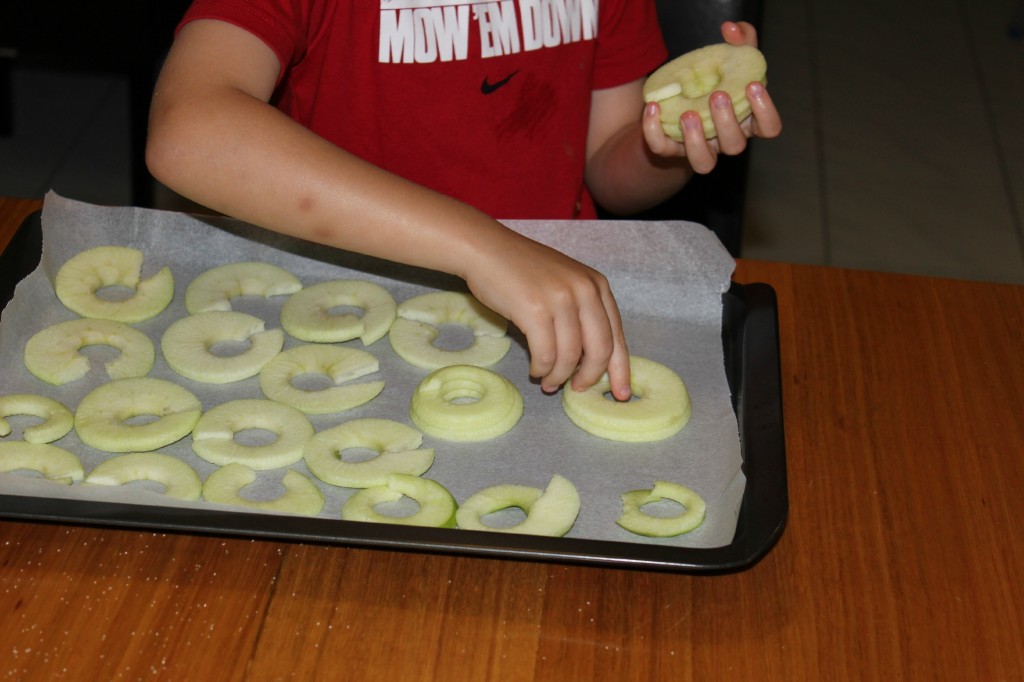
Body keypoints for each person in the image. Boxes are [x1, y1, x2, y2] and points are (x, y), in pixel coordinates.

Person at [146, 1, 781, 401]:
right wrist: (481, 246)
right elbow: (189, 129)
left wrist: (663, 147)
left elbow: (608, 168)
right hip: (337, 300)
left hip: (551, 302)